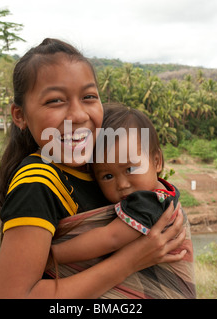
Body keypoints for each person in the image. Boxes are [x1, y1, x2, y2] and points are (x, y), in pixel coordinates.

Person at [0, 38, 187, 299]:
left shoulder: (98, 166)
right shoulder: (37, 182)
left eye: (88, 97)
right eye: (55, 101)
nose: (78, 115)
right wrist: (130, 261)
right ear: (20, 115)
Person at [48, 103, 196, 299]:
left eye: (130, 169)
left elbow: (110, 238)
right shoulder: (162, 191)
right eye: (108, 176)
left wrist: (51, 256)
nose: (122, 184)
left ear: (157, 161)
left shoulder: (148, 202)